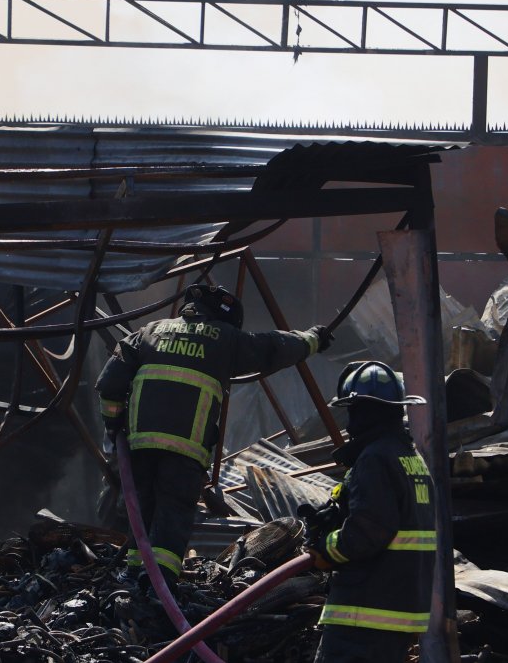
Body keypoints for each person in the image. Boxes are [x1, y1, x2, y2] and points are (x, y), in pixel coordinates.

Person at [95, 283, 332, 585]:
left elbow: (110, 384)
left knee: (140, 516)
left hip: (140, 448)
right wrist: (312, 339)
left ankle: (132, 580)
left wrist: (114, 428)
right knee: (173, 517)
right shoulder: (224, 339)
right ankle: (158, 589)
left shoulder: (149, 332)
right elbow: (273, 347)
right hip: (184, 453)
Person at [307, 360, 436, 663]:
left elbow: (367, 533)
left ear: (363, 411)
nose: (350, 423)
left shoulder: (375, 458)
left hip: (365, 612)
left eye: (352, 411)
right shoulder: (410, 458)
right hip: (397, 609)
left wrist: (325, 549)